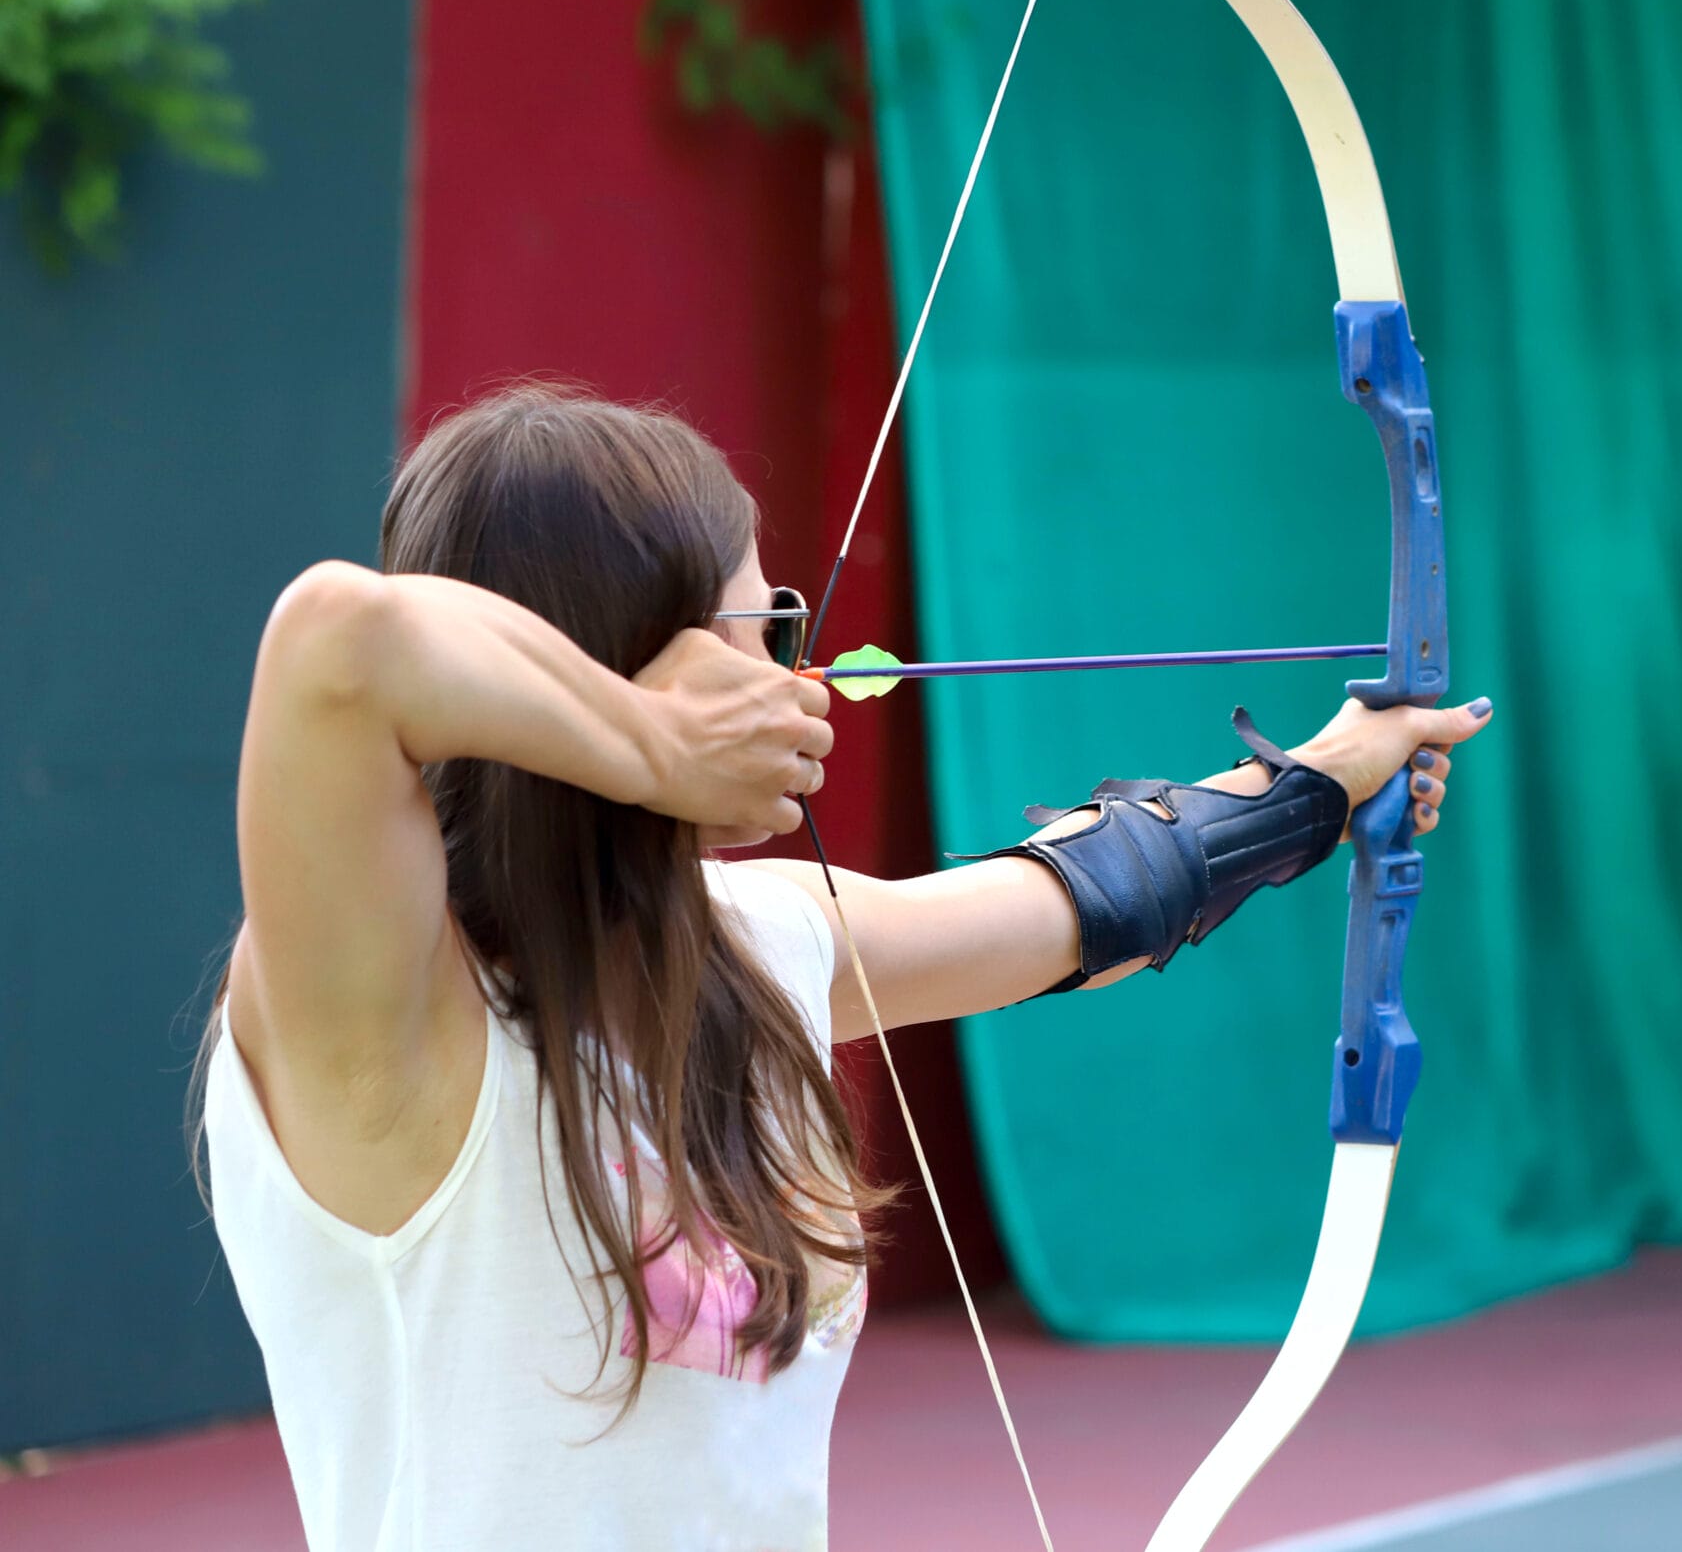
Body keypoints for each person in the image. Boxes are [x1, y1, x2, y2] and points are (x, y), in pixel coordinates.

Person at [194, 386, 1491, 1551]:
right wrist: (652, 747)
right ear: (639, 648)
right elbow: (338, 644)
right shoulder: (388, 1017)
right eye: (766, 627)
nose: (798, 673)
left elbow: (1080, 906)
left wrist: (1322, 785)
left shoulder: (753, 939)